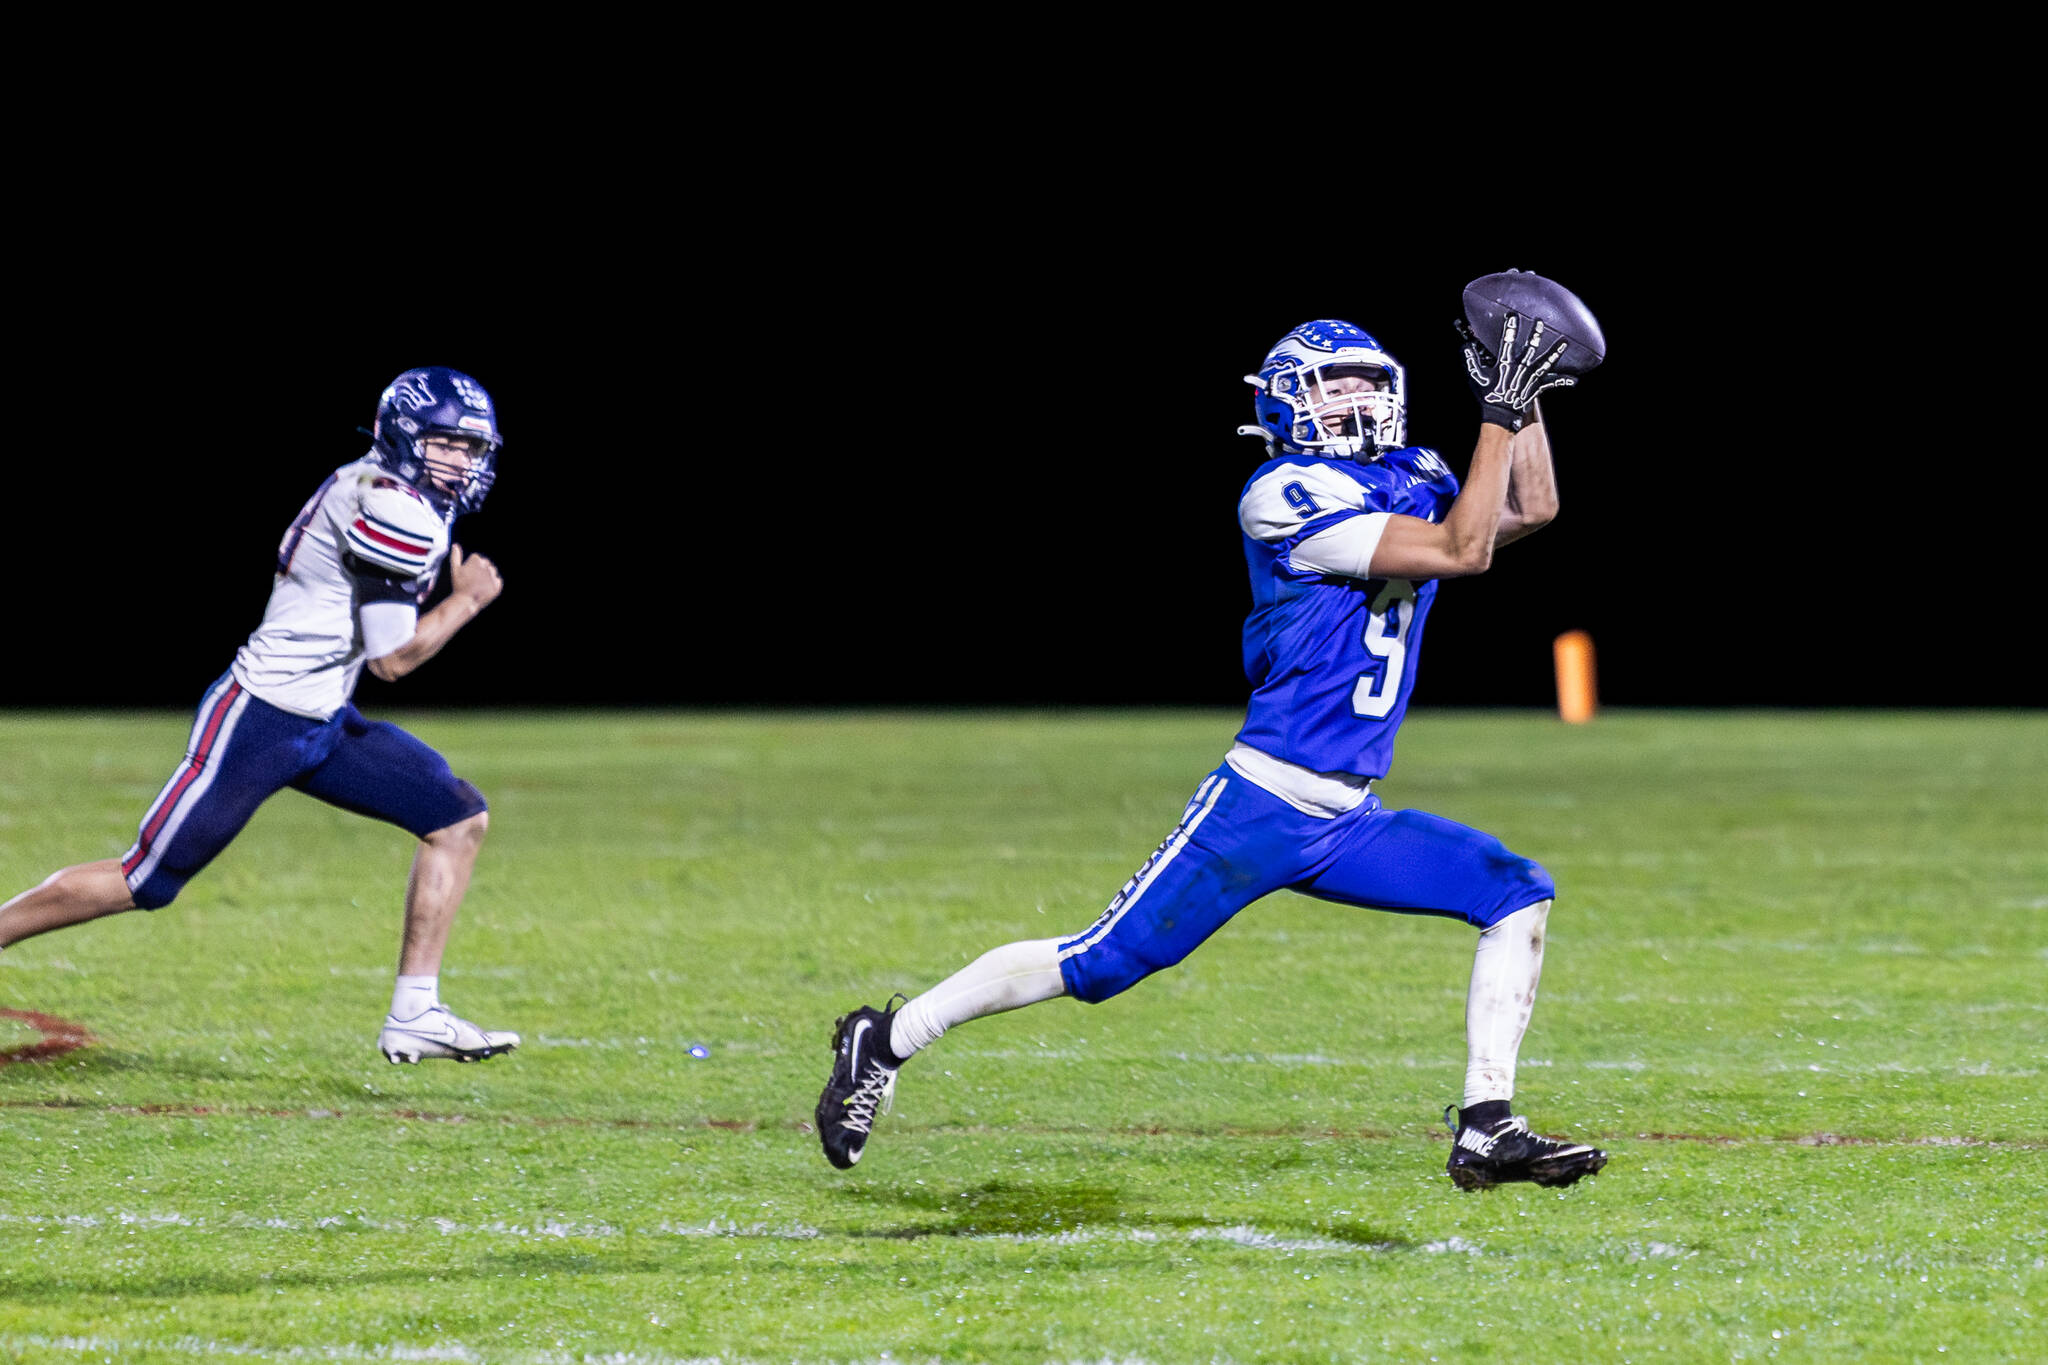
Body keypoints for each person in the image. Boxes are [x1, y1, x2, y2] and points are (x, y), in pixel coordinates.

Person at [815, 311, 1609, 1190]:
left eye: (1367, 381)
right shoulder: (1281, 493)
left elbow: (1527, 509)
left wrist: (1522, 401)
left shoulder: (1411, 471)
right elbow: (1464, 549)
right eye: (1334, 382)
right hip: (1262, 805)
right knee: (1098, 963)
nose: (1356, 397)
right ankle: (883, 1038)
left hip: (1351, 815)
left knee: (1515, 890)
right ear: (1285, 403)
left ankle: (1487, 1126)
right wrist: (1494, 412)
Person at [0, 367, 519, 1066]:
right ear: (404, 436)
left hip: (323, 721)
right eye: (446, 444)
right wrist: (469, 600)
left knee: (456, 818)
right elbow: (393, 659)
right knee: (144, 879)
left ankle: (415, 1011)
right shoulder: (390, 504)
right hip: (262, 718)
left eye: (471, 448)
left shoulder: (389, 485)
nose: (461, 462)